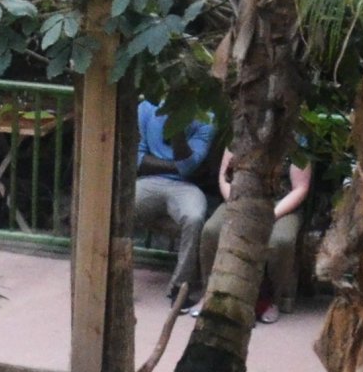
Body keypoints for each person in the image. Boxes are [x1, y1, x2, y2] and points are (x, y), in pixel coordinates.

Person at [191, 151, 314, 322]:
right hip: (239, 199)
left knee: (281, 241)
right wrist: (237, 205)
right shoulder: (238, 137)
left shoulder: (297, 143)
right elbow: (225, 179)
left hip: (280, 204)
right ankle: (209, 293)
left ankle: (274, 300)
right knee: (212, 230)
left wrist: (271, 215)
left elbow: (300, 188)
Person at [133, 98, 217, 307]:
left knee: (194, 218)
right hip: (149, 181)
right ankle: (114, 277)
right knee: (119, 205)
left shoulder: (206, 118)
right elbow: (138, 160)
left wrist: (177, 127)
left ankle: (180, 288)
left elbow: (188, 167)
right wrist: (178, 167)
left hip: (186, 187)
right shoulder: (146, 108)